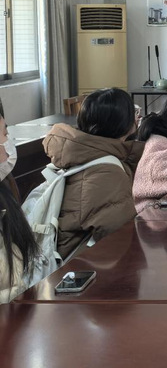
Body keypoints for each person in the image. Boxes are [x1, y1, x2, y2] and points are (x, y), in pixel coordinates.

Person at [42, 88, 143, 259]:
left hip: (76, 257)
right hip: (85, 264)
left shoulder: (86, 153)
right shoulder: (106, 172)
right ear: (121, 122)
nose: (137, 117)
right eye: (133, 112)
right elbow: (120, 238)